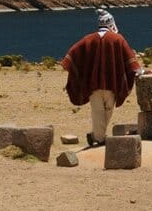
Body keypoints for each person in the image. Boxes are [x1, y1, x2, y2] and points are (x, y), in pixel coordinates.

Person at [61, 9, 143, 146]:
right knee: (106, 111)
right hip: (112, 83)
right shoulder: (118, 39)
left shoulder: (89, 39)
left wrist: (68, 63)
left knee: (99, 112)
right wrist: (138, 70)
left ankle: (95, 136)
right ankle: (100, 139)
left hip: (93, 84)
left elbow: (74, 51)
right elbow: (129, 57)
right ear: (112, 23)